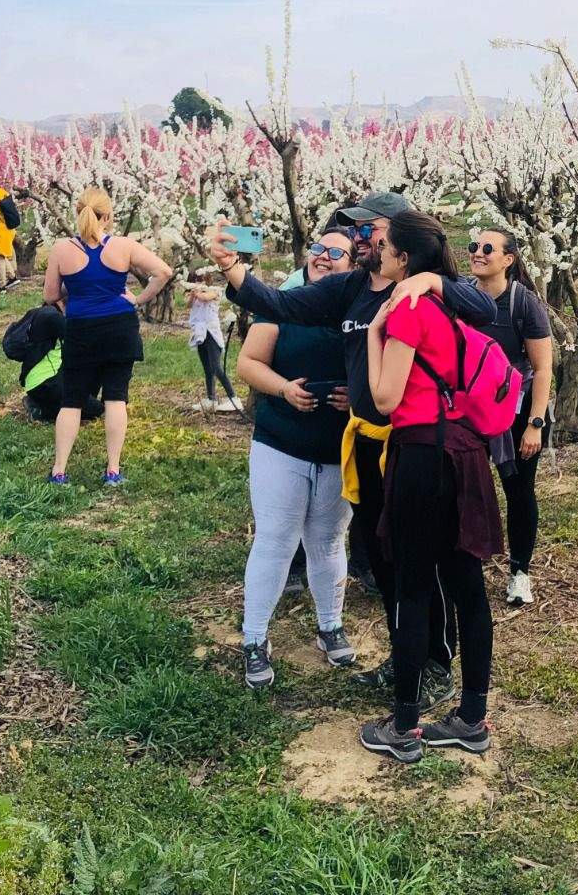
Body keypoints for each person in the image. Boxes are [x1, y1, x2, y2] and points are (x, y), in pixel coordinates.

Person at [207, 191, 496, 712]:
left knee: (423, 568)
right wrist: (232, 269)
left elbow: (485, 306)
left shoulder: (431, 289)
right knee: (385, 561)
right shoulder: (351, 289)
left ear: (398, 235)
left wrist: (435, 280)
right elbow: (280, 304)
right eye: (357, 230)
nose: (361, 237)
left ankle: (434, 665)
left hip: (416, 445)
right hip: (366, 443)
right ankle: (405, 660)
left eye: (369, 229)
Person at [358, 210, 504, 762]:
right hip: (464, 451)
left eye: (384, 246)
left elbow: (386, 398)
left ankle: (403, 727)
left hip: (420, 453)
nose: (377, 252)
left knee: (413, 586)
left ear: (403, 258)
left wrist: (375, 333)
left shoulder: (406, 308)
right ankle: (471, 717)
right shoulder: (443, 303)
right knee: (466, 583)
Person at [230, 229, 358, 689]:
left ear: (353, 263)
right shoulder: (286, 301)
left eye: (335, 252)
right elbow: (248, 362)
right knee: (276, 539)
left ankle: (329, 625)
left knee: (328, 540)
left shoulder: (360, 309)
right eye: (318, 249)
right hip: (281, 442)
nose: (323, 258)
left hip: (337, 447)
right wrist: (284, 388)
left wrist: (356, 398)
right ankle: (254, 638)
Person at [45, 188, 173, 487]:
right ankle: (113, 470)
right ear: (109, 216)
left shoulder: (62, 248)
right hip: (119, 327)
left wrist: (75, 289)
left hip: (81, 328)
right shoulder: (124, 245)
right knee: (116, 398)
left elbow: (50, 295)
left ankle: (59, 470)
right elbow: (164, 271)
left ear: (79, 213)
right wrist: (139, 299)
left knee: (72, 399)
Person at [467, 228, 554, 606]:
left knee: (518, 491)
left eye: (489, 248)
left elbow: (543, 368)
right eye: (474, 246)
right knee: (466, 487)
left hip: (516, 412)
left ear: (508, 260)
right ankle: (467, 561)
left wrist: (535, 424)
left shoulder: (523, 303)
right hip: (469, 410)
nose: (478, 253)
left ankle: (520, 572)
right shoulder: (461, 297)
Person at [188, 275, 241, 412]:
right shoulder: (196, 295)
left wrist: (198, 292)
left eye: (199, 281)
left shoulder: (215, 291)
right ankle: (211, 398)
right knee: (208, 369)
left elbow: (206, 297)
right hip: (200, 333)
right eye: (194, 281)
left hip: (211, 333)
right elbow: (188, 305)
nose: (197, 284)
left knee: (216, 367)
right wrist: (192, 295)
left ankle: (233, 397)